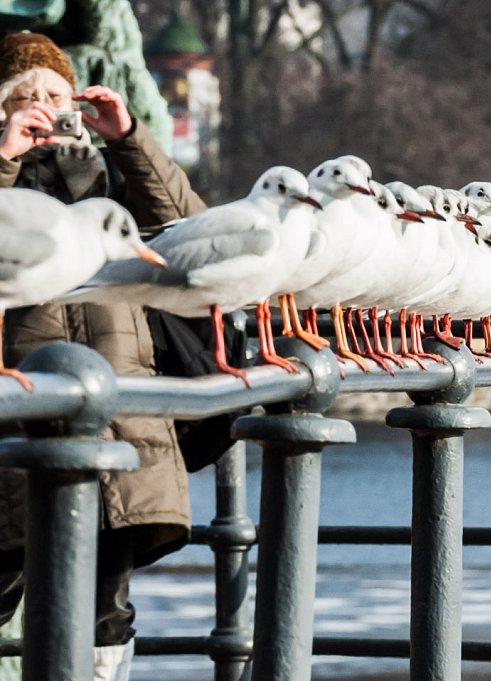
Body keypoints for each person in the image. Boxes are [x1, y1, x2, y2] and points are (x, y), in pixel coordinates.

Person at [0, 31, 206, 679]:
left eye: (57, 96)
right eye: (25, 97)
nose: (44, 107)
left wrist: (128, 139)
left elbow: (192, 229)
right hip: (18, 411)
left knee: (106, 608)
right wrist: (3, 157)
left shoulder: (109, 175)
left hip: (121, 409)